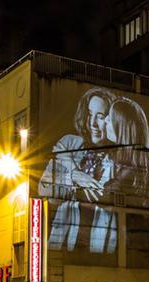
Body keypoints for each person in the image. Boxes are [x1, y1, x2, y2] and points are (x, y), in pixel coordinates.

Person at [39, 88, 117, 251]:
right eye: (90, 114)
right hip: (63, 243)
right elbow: (43, 190)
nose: (93, 123)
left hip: (102, 247)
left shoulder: (120, 158)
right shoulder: (69, 144)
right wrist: (73, 176)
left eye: (100, 116)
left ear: (111, 120)